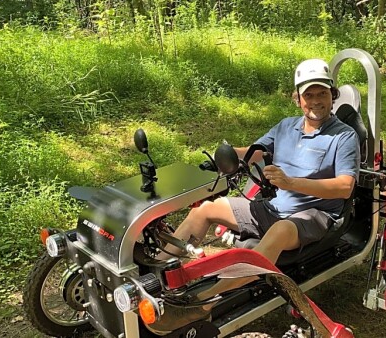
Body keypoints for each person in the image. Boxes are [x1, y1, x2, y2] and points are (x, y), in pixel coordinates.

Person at [147, 59, 361, 335]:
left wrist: (291, 182)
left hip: (314, 214)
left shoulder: (343, 136)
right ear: (297, 99)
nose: (316, 101)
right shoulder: (286, 127)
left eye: (322, 93)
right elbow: (254, 151)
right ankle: (157, 278)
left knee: (281, 230)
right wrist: (223, 152)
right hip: (272, 207)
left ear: (332, 96)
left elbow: (345, 187)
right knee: (205, 210)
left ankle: (203, 301)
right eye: (309, 94)